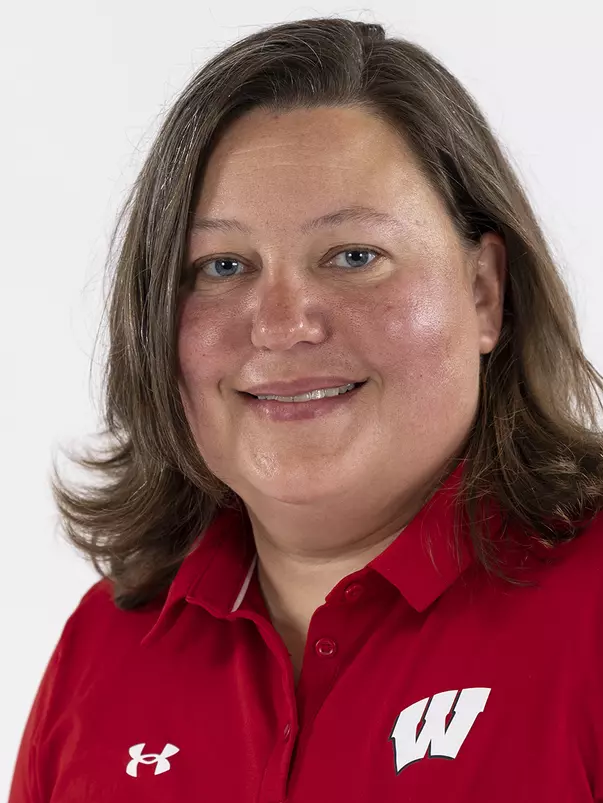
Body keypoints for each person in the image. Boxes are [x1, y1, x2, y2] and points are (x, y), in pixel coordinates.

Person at [9, 15, 603, 803]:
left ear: (483, 292)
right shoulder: (105, 643)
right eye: (222, 265)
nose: (283, 324)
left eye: (354, 256)